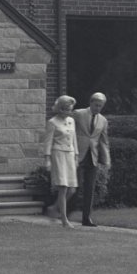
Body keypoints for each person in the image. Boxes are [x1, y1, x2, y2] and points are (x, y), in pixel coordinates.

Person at [72, 91, 111, 227]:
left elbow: (104, 141)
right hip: (77, 155)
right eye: (96, 105)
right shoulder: (78, 114)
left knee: (90, 189)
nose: (97, 108)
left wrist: (106, 160)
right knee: (74, 187)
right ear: (91, 103)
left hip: (92, 157)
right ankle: (65, 213)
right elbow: (68, 131)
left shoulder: (103, 121)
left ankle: (86, 218)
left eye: (100, 106)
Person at [42, 95, 78, 228]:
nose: (69, 112)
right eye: (66, 109)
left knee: (72, 189)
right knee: (63, 188)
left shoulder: (71, 121)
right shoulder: (52, 122)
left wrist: (76, 156)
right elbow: (48, 142)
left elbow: (74, 139)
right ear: (60, 109)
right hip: (58, 155)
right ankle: (64, 220)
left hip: (70, 155)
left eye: (70, 109)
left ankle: (54, 208)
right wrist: (47, 159)